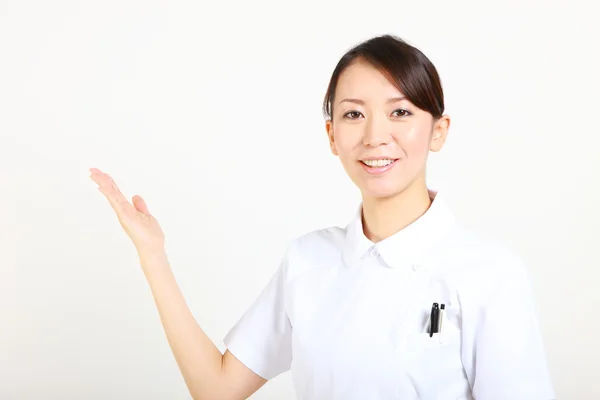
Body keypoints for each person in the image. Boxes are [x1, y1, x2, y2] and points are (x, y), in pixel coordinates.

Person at [89, 34, 555, 399]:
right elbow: (216, 389)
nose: (376, 136)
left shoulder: (490, 273)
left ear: (438, 131)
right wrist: (153, 255)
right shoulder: (308, 261)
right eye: (354, 115)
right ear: (332, 136)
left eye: (400, 112)